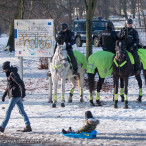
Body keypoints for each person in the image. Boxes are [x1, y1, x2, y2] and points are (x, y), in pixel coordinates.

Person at [0, 61, 32, 133]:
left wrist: (23, 92)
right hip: (17, 95)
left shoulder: (12, 74)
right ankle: (28, 126)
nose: (3, 71)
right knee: (21, 111)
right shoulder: (10, 74)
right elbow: (9, 86)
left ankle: (2, 127)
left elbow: (20, 82)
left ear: (7, 69)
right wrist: (4, 95)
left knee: (8, 111)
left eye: (4, 69)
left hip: (15, 95)